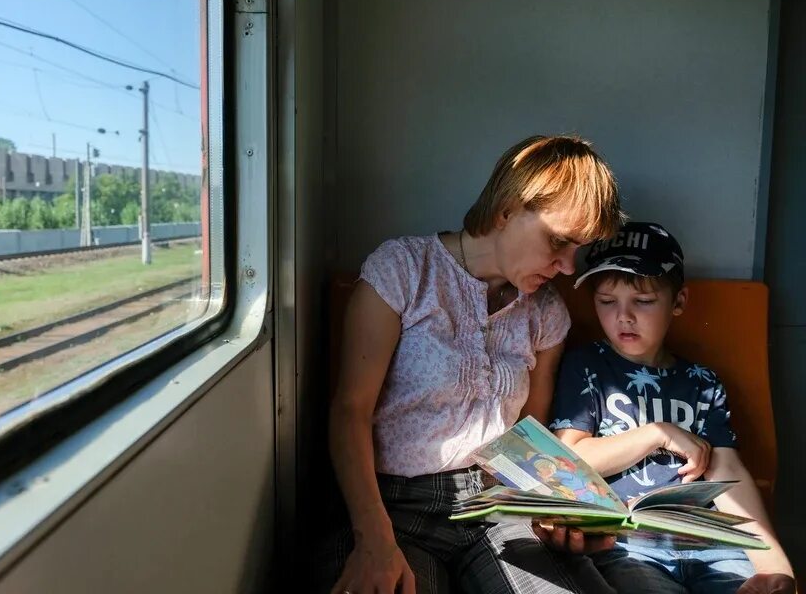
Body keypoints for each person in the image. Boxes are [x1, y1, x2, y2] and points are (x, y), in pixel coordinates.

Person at [322, 135, 625, 594]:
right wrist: (374, 540)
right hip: (394, 510)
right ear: (506, 210)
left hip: (497, 508)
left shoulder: (545, 311)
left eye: (576, 252)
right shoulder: (403, 270)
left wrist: (559, 510)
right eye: (558, 243)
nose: (566, 267)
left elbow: (529, 434)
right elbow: (350, 411)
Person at [550, 221, 796, 594]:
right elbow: (568, 459)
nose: (624, 316)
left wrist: (774, 564)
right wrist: (656, 434)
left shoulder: (701, 381)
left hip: (711, 543)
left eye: (644, 301)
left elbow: (728, 472)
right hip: (629, 548)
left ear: (678, 301)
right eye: (606, 301)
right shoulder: (586, 366)